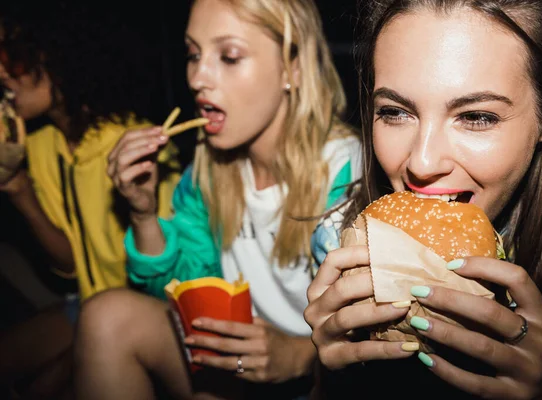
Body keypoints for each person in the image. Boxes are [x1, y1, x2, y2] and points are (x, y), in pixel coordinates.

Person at [305, 0, 542, 398]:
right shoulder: (341, 241)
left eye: (477, 116)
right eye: (394, 112)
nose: (422, 163)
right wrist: (332, 371)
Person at [73, 0, 361, 399]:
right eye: (193, 54)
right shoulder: (207, 173)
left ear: (292, 68)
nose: (197, 78)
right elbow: (187, 299)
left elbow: (373, 343)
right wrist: (142, 214)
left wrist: (300, 355)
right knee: (106, 317)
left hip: (320, 378)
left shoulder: (349, 179)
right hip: (237, 368)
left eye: (228, 56)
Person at [0, 2, 181, 398]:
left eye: (10, 56)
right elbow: (67, 265)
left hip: (143, 310)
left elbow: (173, 279)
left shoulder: (136, 145)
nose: (1, 73)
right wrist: (18, 188)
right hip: (82, 301)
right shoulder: (41, 146)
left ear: (54, 54)